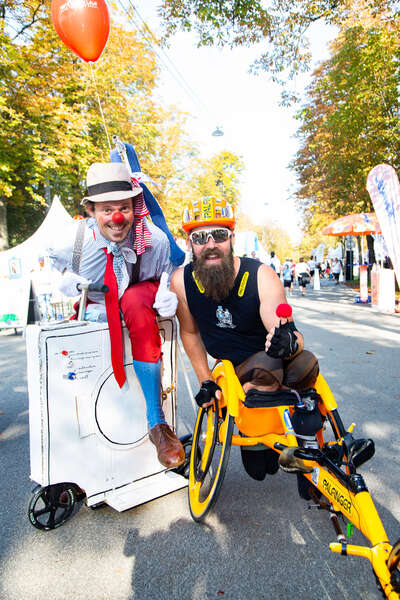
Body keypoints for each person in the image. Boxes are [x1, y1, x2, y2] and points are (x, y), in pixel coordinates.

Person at [171, 198, 319, 479]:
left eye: (220, 235)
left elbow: (290, 333)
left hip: (270, 362)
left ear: (232, 238)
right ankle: (266, 434)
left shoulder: (260, 274)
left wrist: (288, 340)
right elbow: (189, 333)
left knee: (302, 362)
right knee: (258, 471)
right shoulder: (181, 281)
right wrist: (205, 380)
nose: (211, 244)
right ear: (189, 242)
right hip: (236, 371)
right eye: (200, 237)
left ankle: (305, 441)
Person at [49, 162, 185, 469]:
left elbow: (169, 273)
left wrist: (168, 293)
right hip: (98, 306)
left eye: (123, 207)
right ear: (93, 211)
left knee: (136, 301)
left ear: (135, 207)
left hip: (139, 294)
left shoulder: (154, 239)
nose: (116, 217)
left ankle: (157, 423)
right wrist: (67, 277)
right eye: (107, 209)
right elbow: (50, 257)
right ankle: (74, 444)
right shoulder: (78, 242)